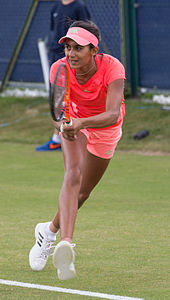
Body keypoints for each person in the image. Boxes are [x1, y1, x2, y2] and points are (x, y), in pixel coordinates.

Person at [29, 20, 126, 280]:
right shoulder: (58, 68)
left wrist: (81, 122)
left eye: (78, 48)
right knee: (73, 173)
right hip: (74, 123)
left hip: (103, 127)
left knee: (83, 193)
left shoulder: (113, 68)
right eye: (68, 47)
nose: (71, 53)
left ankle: (48, 231)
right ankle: (65, 244)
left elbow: (113, 114)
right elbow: (56, 111)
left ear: (94, 50)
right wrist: (64, 125)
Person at [35, 0, 91, 151]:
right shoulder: (55, 7)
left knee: (74, 97)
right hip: (56, 56)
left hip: (74, 59)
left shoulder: (79, 7)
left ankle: (76, 137)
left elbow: (86, 34)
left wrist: (76, 53)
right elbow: (54, 30)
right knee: (58, 98)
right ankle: (58, 137)